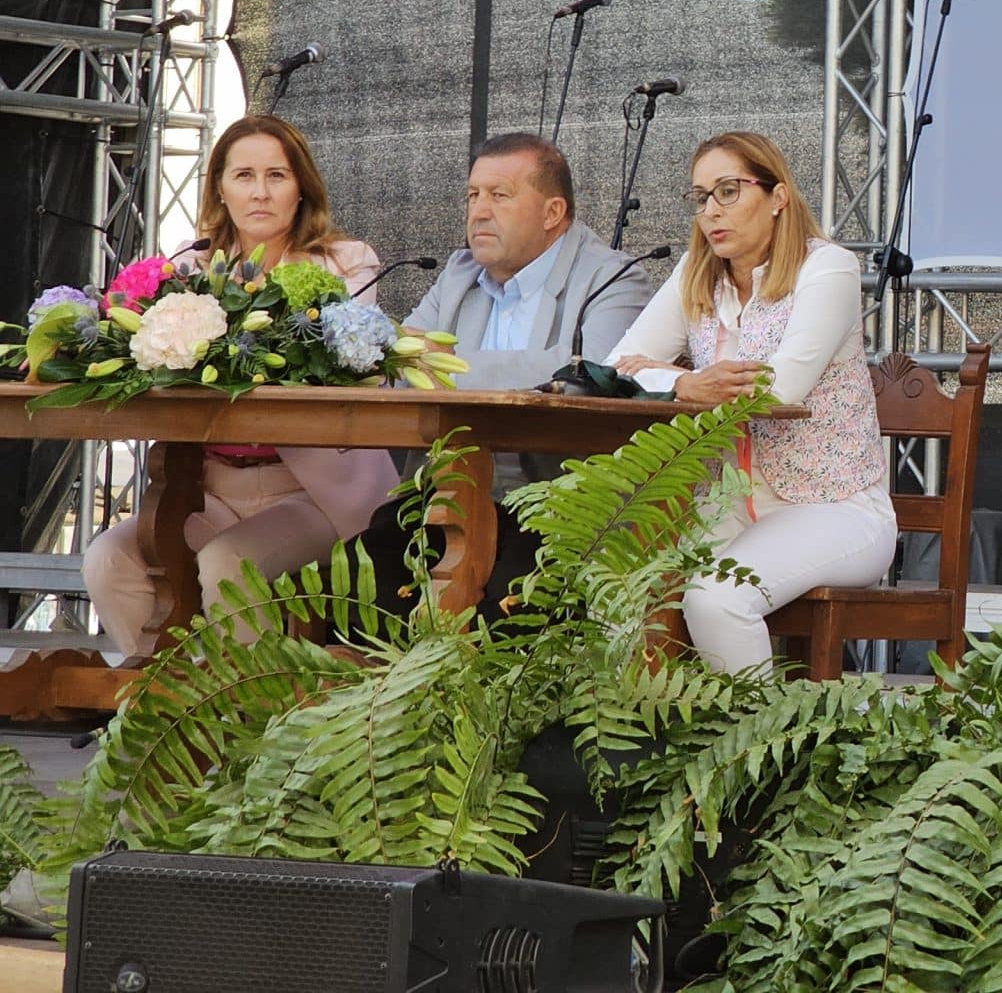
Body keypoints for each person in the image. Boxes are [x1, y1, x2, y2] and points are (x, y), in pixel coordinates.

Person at [82, 114, 395, 657]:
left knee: (227, 563)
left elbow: (328, 366)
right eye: (244, 176)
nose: (260, 192)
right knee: (106, 561)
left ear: (302, 188)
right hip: (209, 489)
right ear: (220, 189)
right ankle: (174, 709)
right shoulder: (189, 264)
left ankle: (245, 722)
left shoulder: (347, 263)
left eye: (277, 175)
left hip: (312, 494)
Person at [606, 131, 891, 675]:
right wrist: (686, 385)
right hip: (726, 504)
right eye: (701, 197)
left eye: (729, 191)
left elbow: (782, 386)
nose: (711, 211)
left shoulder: (827, 268)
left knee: (717, 598)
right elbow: (616, 366)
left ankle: (760, 750)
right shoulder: (694, 274)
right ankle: (655, 744)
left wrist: (673, 377)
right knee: (621, 592)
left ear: (777, 196)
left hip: (834, 508)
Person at [351, 132, 656, 604]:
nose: (479, 211)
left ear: (553, 213)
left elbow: (592, 376)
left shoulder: (612, 278)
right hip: (444, 496)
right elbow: (398, 361)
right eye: (473, 195)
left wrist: (444, 366)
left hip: (557, 502)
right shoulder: (459, 273)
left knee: (505, 604)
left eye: (499, 195)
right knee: (355, 582)